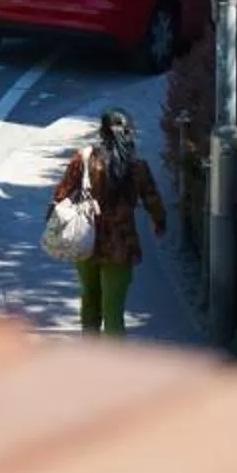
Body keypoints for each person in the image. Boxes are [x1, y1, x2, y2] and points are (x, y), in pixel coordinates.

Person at [53, 107, 166, 336]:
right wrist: (159, 223)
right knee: (114, 312)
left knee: (89, 301)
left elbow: (61, 193)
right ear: (129, 133)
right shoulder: (137, 167)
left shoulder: (84, 159)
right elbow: (152, 200)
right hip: (121, 245)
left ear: (101, 132)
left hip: (86, 240)